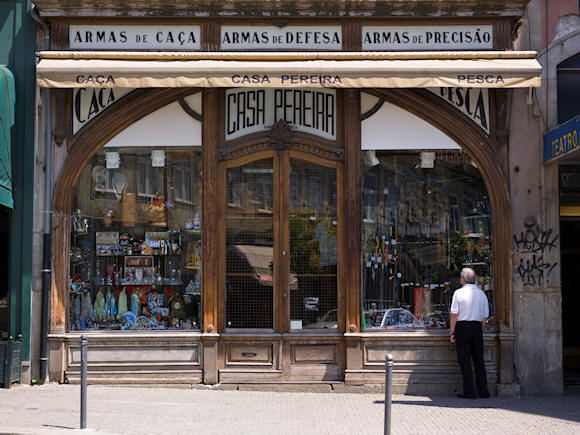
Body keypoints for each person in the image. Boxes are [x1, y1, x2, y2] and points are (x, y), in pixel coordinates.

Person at [449, 267, 490, 399]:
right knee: (479, 361)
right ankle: (483, 391)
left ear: (462, 280)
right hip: (477, 327)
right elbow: (485, 317)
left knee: (465, 361)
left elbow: (454, 315)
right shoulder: (482, 294)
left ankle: (470, 392)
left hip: (463, 326)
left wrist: (452, 332)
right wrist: (480, 329)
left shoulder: (458, 293)